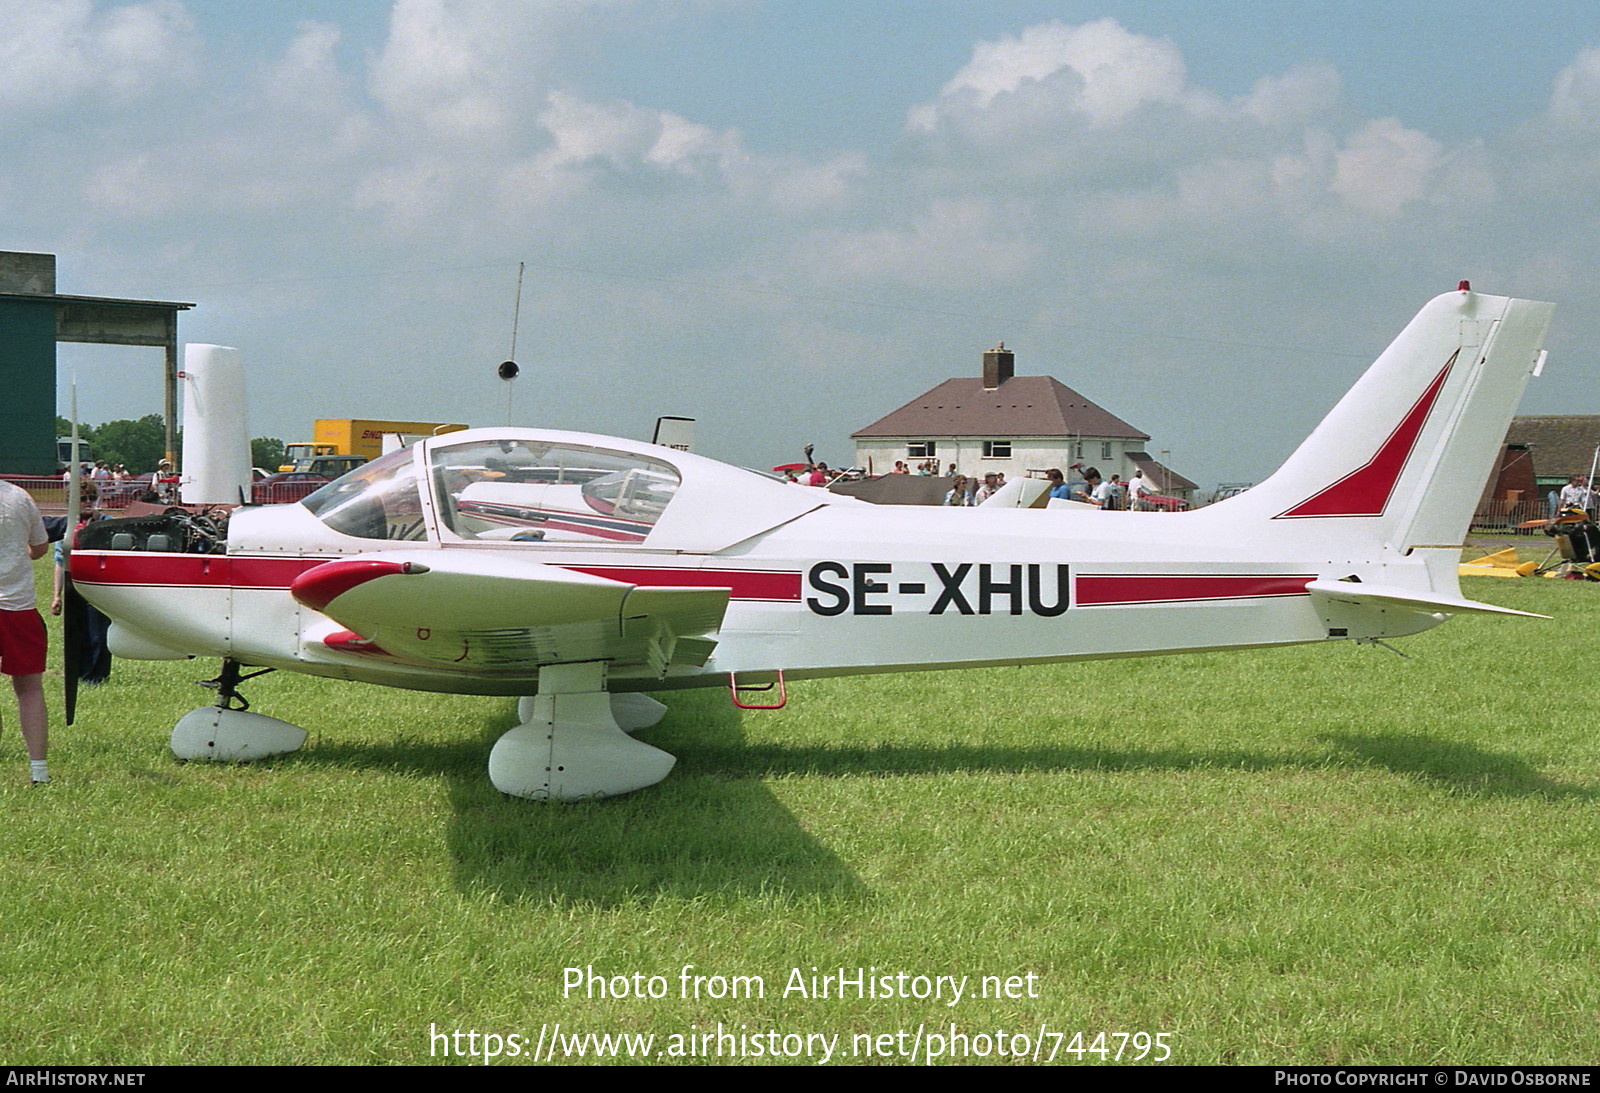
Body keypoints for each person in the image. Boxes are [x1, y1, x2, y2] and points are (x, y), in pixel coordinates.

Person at [0, 479, 50, 785]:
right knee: (30, 689)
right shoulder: (19, 497)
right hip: (18, 606)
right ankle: (39, 770)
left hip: (17, 604)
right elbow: (40, 547)